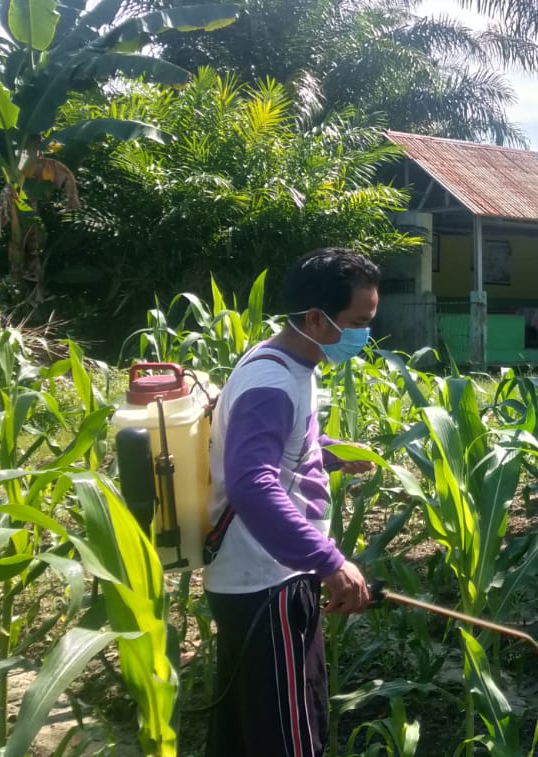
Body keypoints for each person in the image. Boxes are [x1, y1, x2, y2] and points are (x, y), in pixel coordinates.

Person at [202, 248, 380, 757]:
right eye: (357, 323)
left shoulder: (286, 362)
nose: (364, 335)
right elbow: (252, 483)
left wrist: (331, 454)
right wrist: (329, 562)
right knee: (290, 739)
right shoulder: (274, 382)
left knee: (245, 734)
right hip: (269, 583)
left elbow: (277, 447)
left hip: (262, 578)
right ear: (315, 319)